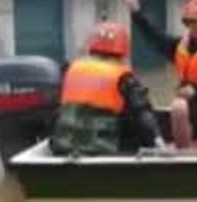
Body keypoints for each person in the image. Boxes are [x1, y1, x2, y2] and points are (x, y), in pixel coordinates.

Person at [123, 0, 197, 148]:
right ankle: (184, 151)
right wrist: (136, 12)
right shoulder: (182, 46)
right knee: (178, 108)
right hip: (190, 119)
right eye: (191, 23)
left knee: (182, 107)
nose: (195, 28)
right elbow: (155, 38)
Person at [49, 22, 166, 156]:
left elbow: (56, 111)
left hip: (62, 146)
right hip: (103, 148)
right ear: (123, 51)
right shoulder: (123, 76)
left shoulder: (72, 69)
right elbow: (143, 115)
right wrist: (158, 142)